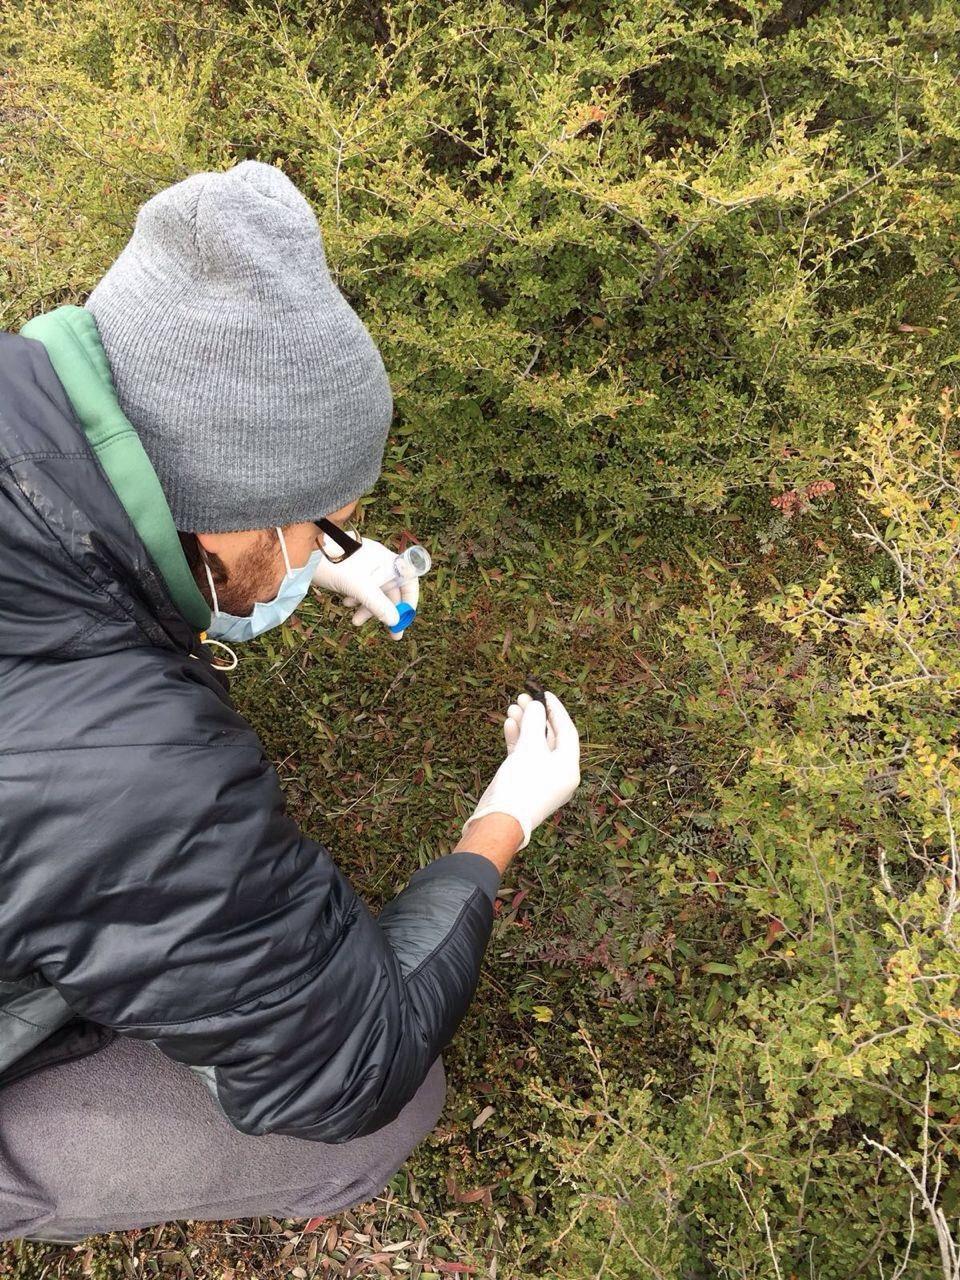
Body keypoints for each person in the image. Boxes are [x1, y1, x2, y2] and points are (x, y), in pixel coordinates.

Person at [0, 160, 581, 1244]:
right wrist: (501, 821)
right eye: (320, 523)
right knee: (383, 1112)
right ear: (225, 514)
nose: (328, 551)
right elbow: (346, 1061)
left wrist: (299, 560)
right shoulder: (137, 778)